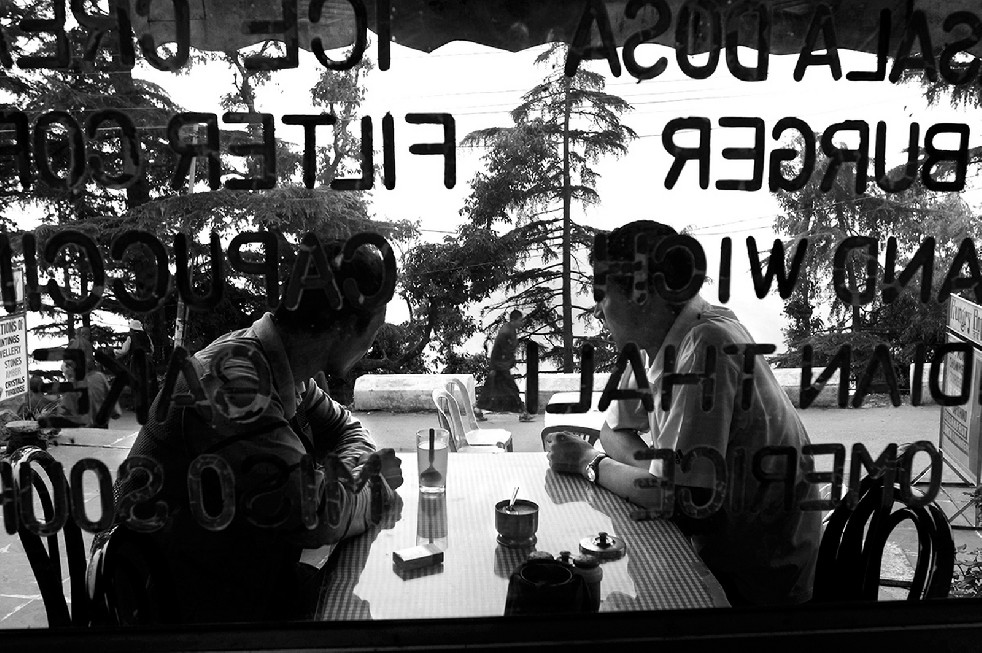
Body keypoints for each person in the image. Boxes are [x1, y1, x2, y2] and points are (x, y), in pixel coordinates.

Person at [112, 234, 404, 623]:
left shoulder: (281, 367)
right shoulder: (233, 384)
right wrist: (371, 487)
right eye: (375, 326)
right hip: (172, 609)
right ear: (348, 326)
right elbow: (311, 515)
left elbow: (346, 430)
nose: (372, 342)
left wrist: (345, 478)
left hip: (231, 572)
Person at [546, 220, 821, 607]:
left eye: (602, 293)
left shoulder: (708, 348)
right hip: (716, 555)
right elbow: (612, 430)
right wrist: (655, 478)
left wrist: (590, 463)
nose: (597, 308)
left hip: (758, 589)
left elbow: (687, 506)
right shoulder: (654, 344)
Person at [476, 309, 533, 422]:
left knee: (489, 389)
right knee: (512, 389)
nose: (521, 323)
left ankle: (478, 409)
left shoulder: (510, 330)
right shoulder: (506, 332)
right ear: (514, 320)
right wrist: (497, 367)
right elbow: (500, 351)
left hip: (501, 366)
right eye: (520, 320)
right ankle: (523, 412)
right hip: (500, 366)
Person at [59, 359, 119, 428]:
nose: (66, 376)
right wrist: (115, 412)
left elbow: (65, 412)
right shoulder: (99, 376)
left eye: (65, 373)